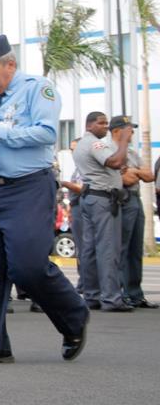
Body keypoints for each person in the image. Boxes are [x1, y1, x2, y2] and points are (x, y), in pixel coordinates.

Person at [0, 34, 88, 364]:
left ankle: (74, 316)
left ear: (10, 64)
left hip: (29, 187)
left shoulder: (37, 88)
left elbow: (47, 133)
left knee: (28, 267)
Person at [73, 112, 133, 312]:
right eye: (101, 123)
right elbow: (115, 162)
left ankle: (92, 295)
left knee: (89, 249)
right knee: (108, 248)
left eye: (106, 123)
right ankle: (111, 298)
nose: (105, 126)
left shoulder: (83, 143)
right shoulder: (96, 144)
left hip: (91, 197)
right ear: (89, 125)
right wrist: (123, 140)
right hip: (103, 199)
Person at [112, 116, 157, 309]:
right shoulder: (111, 151)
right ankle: (121, 293)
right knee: (121, 248)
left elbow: (149, 175)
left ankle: (135, 294)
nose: (132, 133)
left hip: (135, 201)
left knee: (135, 250)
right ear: (117, 131)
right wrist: (135, 172)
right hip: (122, 200)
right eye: (129, 129)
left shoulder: (130, 152)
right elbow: (127, 179)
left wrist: (134, 171)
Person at [60, 138, 84, 293]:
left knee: (85, 248)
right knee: (81, 249)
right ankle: (84, 282)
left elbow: (81, 188)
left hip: (84, 208)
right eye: (71, 149)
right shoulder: (77, 168)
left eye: (75, 149)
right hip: (76, 208)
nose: (73, 152)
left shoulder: (85, 167)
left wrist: (65, 184)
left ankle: (87, 283)